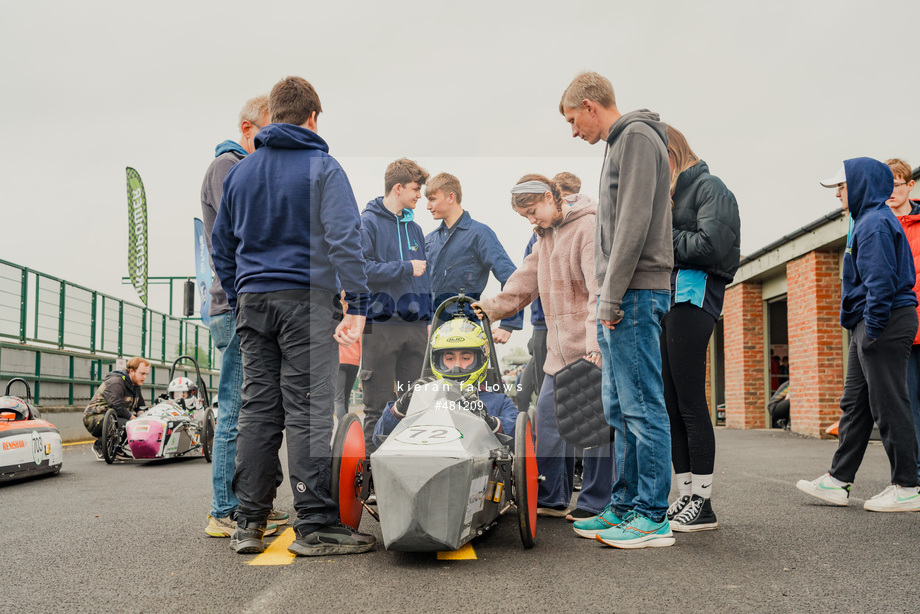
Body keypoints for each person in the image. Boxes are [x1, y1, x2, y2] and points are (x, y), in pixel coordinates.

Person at [211, 76, 375, 555]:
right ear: (312, 118)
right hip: (305, 302)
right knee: (307, 410)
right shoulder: (323, 168)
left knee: (258, 411)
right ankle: (316, 523)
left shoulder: (241, 172)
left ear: (274, 114)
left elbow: (223, 247)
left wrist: (243, 290)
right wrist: (358, 305)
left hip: (253, 303)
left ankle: (249, 522)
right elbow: (346, 241)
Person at [560, 71, 675, 549]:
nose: (573, 131)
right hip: (619, 293)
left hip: (632, 293)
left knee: (642, 404)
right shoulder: (619, 143)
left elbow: (632, 223)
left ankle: (652, 516)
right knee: (620, 407)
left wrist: (608, 296)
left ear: (590, 105)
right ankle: (626, 505)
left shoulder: (638, 137)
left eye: (572, 119)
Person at [472, 174, 615, 523]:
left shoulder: (587, 228)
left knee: (592, 427)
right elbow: (524, 281)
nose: (532, 220)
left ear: (553, 197)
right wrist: (492, 307)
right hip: (557, 350)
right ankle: (551, 496)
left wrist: (596, 344)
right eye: (526, 217)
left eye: (534, 211)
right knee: (549, 421)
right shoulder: (544, 236)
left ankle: (596, 503)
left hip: (587, 347)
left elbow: (599, 290)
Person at [796, 157, 920, 512]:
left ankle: (907, 486)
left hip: (884, 322)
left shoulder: (875, 224)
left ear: (861, 185)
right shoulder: (863, 221)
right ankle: (838, 480)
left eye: (842, 186)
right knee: (855, 405)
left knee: (889, 404)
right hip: (866, 324)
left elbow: (880, 285)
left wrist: (873, 331)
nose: (837, 194)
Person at [199, 95, 289, 538]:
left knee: (257, 406)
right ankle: (224, 508)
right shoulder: (228, 166)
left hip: (242, 302)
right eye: (270, 130)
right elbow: (230, 241)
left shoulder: (239, 166)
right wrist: (241, 301)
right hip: (235, 304)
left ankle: (250, 504)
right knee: (238, 409)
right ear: (248, 128)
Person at [659, 125, 740, 533]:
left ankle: (703, 503)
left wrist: (660, 238)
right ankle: (686, 494)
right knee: (670, 401)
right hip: (667, 299)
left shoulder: (712, 188)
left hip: (696, 298)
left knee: (690, 399)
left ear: (671, 153)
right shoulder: (669, 194)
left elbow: (713, 247)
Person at [359, 158, 432, 451]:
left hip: (414, 330)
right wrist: (404, 268)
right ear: (398, 187)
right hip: (381, 327)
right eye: (415, 189)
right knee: (377, 408)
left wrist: (426, 320)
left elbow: (425, 277)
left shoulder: (415, 229)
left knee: (413, 408)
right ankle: (370, 483)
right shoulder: (368, 223)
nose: (419, 195)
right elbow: (361, 269)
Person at [373, 319, 517, 442]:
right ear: (437, 361)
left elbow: (519, 437)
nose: (456, 366)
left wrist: (488, 422)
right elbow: (379, 438)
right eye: (449, 359)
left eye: (466, 358)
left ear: (481, 359)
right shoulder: (422, 398)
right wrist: (401, 407)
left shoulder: (499, 401)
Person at [424, 172, 523, 343]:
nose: (427, 206)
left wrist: (508, 324)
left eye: (432, 199)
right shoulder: (429, 240)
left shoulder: (480, 234)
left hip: (468, 330)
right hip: (432, 332)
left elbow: (511, 277)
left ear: (451, 197)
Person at [885, 158, 920, 483]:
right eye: (887, 183)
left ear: (910, 185)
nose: (892, 190)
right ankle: (914, 475)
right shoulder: (879, 223)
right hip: (902, 330)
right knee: (908, 403)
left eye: (898, 183)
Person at [83, 357, 149, 459]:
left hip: (114, 417)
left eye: (146, 374)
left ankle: (116, 448)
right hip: (95, 417)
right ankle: (100, 445)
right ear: (131, 371)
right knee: (130, 423)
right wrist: (134, 419)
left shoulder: (136, 385)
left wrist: (144, 418)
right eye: (142, 373)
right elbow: (116, 405)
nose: (144, 377)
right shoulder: (116, 382)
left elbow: (140, 405)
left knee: (138, 423)